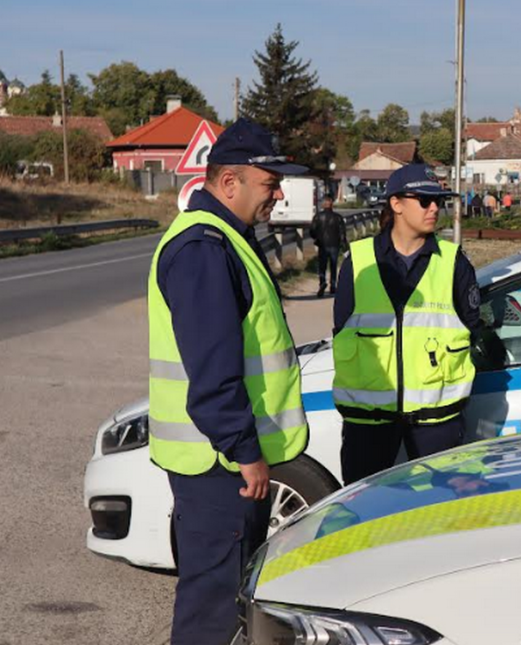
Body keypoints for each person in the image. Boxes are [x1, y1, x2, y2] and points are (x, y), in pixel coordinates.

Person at [148, 118, 309, 645]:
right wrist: (245, 450)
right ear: (229, 182)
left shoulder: (226, 240)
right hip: (218, 465)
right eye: (270, 184)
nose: (278, 195)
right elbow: (213, 370)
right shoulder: (204, 248)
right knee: (212, 612)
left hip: (220, 460)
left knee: (227, 601)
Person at [332, 164, 482, 484]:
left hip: (437, 424)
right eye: (424, 200)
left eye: (438, 201)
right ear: (396, 204)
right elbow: (342, 329)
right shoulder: (358, 262)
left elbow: (471, 327)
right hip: (368, 424)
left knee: (439, 508)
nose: (434, 208)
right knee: (366, 507)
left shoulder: (453, 262)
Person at [309, 194, 349, 297]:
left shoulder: (318, 217)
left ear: (323, 204)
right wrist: (345, 246)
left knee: (322, 265)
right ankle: (333, 286)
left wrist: (317, 238)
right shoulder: (338, 217)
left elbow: (312, 231)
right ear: (332, 204)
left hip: (322, 245)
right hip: (334, 245)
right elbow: (342, 234)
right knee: (333, 265)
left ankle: (322, 282)